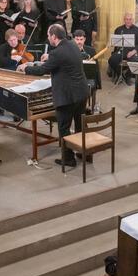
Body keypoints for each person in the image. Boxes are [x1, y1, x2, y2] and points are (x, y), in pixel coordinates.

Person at [18, 24, 89, 168]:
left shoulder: (57, 53)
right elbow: (64, 56)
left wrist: (26, 68)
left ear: (54, 37)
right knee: (80, 124)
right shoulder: (72, 44)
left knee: (64, 127)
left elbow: (42, 70)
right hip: (81, 92)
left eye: (49, 36)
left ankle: (68, 159)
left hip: (67, 96)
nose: (48, 38)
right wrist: (50, 56)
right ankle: (82, 153)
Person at [107, 12, 138, 84]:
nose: (128, 21)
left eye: (130, 19)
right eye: (127, 19)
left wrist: (133, 51)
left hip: (132, 52)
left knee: (135, 61)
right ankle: (120, 74)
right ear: (124, 20)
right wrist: (110, 43)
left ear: (132, 20)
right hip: (121, 51)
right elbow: (115, 43)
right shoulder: (118, 29)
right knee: (111, 60)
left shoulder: (137, 30)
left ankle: (128, 75)